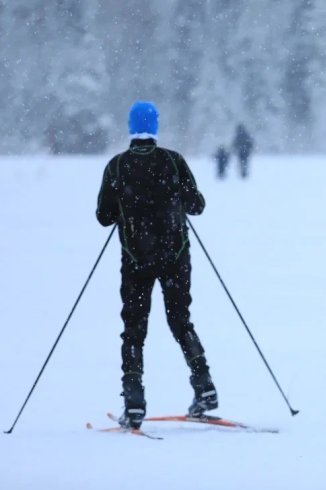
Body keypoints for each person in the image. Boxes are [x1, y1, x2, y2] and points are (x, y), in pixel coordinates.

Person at [96, 101, 219, 430]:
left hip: (136, 261)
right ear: (156, 126)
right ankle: (204, 387)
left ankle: (134, 402)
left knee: (134, 330)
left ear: (130, 127)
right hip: (175, 258)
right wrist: (173, 195)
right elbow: (197, 206)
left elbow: (103, 217)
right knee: (181, 322)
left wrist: (127, 203)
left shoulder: (117, 167)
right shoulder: (173, 161)